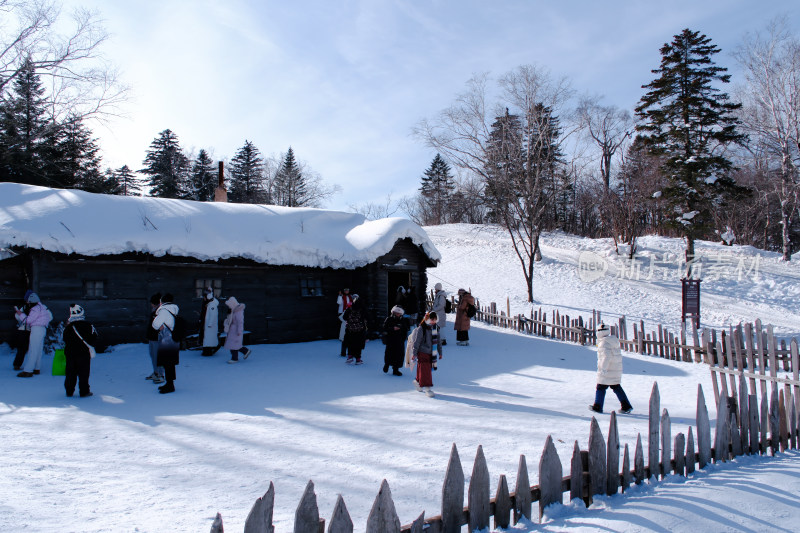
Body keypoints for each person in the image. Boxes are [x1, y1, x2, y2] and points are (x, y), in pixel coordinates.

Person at [589, 323, 633, 414]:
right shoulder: (613, 341)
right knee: (616, 386)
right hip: (615, 369)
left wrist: (603, 369)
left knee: (600, 387)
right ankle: (626, 406)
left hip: (608, 370)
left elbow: (606, 357)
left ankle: (598, 406)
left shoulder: (604, 343)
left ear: (600, 332)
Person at [63, 304, 98, 398]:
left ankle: (69, 391)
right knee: (84, 373)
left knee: (70, 372)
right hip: (83, 353)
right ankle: (84, 391)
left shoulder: (69, 327)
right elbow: (94, 338)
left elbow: (65, 338)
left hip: (70, 353)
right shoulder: (88, 325)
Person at [15, 292, 52, 377]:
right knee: (38, 350)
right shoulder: (42, 307)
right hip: (42, 329)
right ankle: (36, 368)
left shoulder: (35, 308)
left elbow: (28, 320)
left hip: (36, 329)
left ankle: (28, 371)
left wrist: (21, 314)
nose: (27, 303)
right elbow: (50, 317)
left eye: (28, 301)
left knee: (32, 350)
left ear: (32, 301)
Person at [152, 293, 180, 394]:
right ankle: (169, 383)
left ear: (162, 301)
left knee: (167, 363)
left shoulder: (164, 311)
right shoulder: (174, 309)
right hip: (173, 339)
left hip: (166, 340)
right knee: (170, 363)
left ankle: (170, 386)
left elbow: (155, 325)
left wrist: (158, 324)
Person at [411, 311, 442, 397]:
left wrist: (440, 352)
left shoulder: (436, 328)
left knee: (422, 369)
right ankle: (428, 388)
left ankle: (417, 381)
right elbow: (417, 342)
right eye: (432, 319)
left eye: (435, 320)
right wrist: (414, 353)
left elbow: (438, 341)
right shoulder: (422, 328)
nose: (433, 321)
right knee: (426, 371)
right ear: (428, 319)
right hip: (422, 352)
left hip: (432, 353)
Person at [382, 305, 409, 376]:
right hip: (391, 340)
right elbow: (384, 328)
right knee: (389, 353)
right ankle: (387, 365)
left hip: (399, 340)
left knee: (399, 355)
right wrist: (392, 329)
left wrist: (403, 338)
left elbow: (405, 329)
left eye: (399, 313)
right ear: (393, 312)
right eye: (396, 312)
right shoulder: (389, 319)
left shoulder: (403, 320)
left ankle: (396, 369)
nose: (398, 314)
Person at [224, 296, 250, 363]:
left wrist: (239, 331)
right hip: (232, 331)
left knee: (234, 345)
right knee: (235, 345)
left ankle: (235, 358)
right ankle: (245, 351)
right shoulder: (233, 311)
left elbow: (240, 322)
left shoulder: (238, 312)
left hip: (236, 331)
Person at [342, 297, 368, 365]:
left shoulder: (349, 309)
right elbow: (368, 318)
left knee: (350, 343)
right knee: (359, 344)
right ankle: (358, 359)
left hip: (350, 330)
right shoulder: (363, 310)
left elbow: (344, 317)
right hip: (360, 330)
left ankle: (350, 356)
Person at [146, 293, 165, 384]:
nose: (151, 304)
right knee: (153, 356)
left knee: (158, 357)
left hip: (158, 338)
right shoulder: (154, 311)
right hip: (152, 337)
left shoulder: (160, 312)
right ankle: (156, 372)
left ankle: (161, 375)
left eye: (152, 303)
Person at [12, 289, 33, 370]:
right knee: (22, 349)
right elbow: (18, 317)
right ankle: (17, 365)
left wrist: (21, 315)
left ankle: (18, 364)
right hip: (24, 331)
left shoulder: (29, 308)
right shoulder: (25, 307)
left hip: (27, 330)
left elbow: (18, 317)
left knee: (24, 349)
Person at [200, 287, 220, 356]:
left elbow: (213, 315)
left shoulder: (212, 304)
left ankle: (208, 351)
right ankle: (207, 351)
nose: (204, 298)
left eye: (204, 297)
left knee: (209, 339)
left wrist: (210, 324)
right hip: (208, 325)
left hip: (210, 326)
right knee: (208, 339)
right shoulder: (209, 304)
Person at [337, 288, 354, 356]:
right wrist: (340, 296)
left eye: (348, 290)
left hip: (349, 322)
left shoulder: (351, 297)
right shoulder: (341, 296)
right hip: (342, 313)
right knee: (344, 338)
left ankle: (350, 352)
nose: (346, 291)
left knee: (350, 339)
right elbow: (339, 303)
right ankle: (343, 352)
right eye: (345, 290)